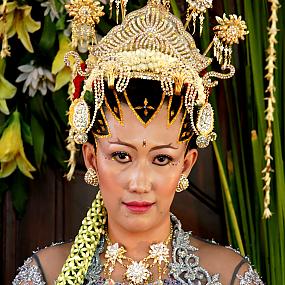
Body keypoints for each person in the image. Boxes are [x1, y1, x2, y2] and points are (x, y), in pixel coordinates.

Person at [13, 0, 263, 284]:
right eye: (121, 156)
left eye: (162, 158)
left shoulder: (228, 276)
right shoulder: (45, 274)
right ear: (91, 158)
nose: (139, 183)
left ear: (186, 164)